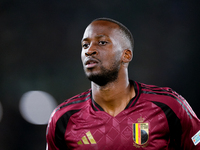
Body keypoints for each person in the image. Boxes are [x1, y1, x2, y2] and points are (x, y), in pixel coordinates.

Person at [46, 18, 200, 150]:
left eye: (102, 42)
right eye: (85, 45)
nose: (89, 50)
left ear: (126, 55)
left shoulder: (169, 106)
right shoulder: (63, 118)